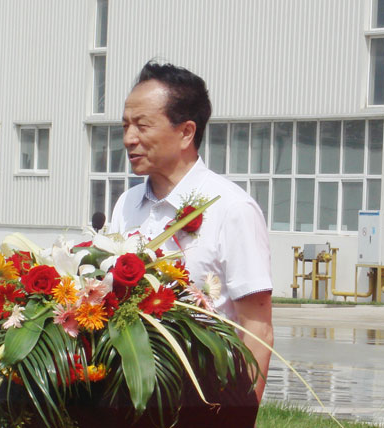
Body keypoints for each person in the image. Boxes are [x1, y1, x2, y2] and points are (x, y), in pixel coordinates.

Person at [109, 61, 274, 427]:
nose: (129, 138)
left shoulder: (232, 208)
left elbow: (257, 328)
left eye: (142, 125)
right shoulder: (126, 204)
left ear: (186, 132)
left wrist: (237, 419)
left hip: (202, 402)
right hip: (126, 401)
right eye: (125, 126)